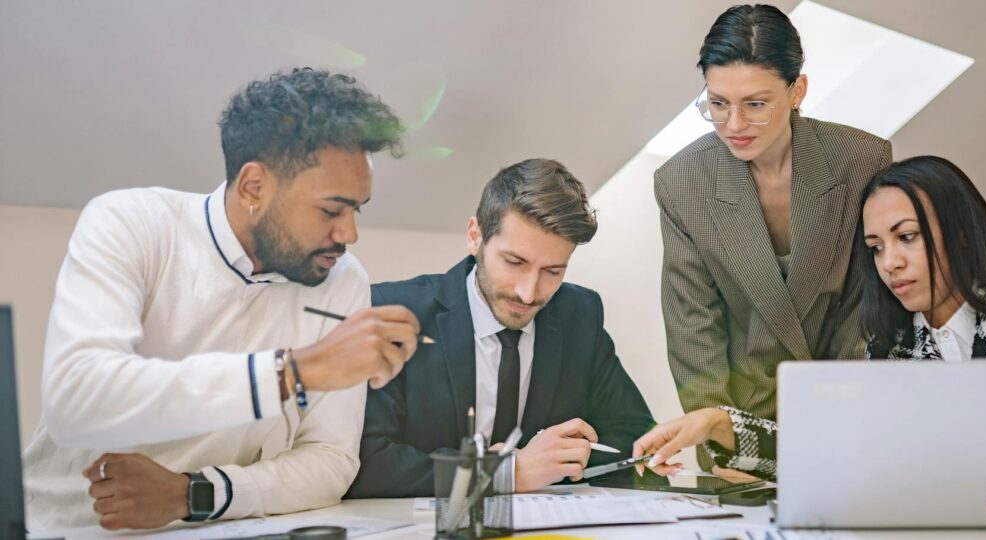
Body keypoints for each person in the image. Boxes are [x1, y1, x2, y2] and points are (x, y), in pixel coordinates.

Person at [633, 156, 986, 531]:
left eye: (907, 237)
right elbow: (841, 456)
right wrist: (720, 424)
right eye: (875, 247)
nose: (889, 262)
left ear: (961, 234)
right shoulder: (892, 345)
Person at [22, 68, 424, 530]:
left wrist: (193, 493)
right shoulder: (131, 224)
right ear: (254, 186)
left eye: (356, 210)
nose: (349, 234)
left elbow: (330, 459)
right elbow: (77, 400)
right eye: (331, 210)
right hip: (61, 527)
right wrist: (294, 372)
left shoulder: (344, 280)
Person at [654, 4, 892, 469]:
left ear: (797, 91)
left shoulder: (862, 159)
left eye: (755, 104)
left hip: (843, 411)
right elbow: (693, 326)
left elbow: (865, 305)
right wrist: (723, 443)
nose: (734, 125)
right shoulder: (681, 181)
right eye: (717, 104)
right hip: (735, 422)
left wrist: (836, 413)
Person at [344, 158, 654, 497]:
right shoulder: (392, 311)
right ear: (474, 236)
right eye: (514, 262)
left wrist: (560, 458)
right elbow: (364, 461)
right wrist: (502, 473)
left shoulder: (579, 314)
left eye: (553, 271)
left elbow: (635, 435)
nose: (528, 293)